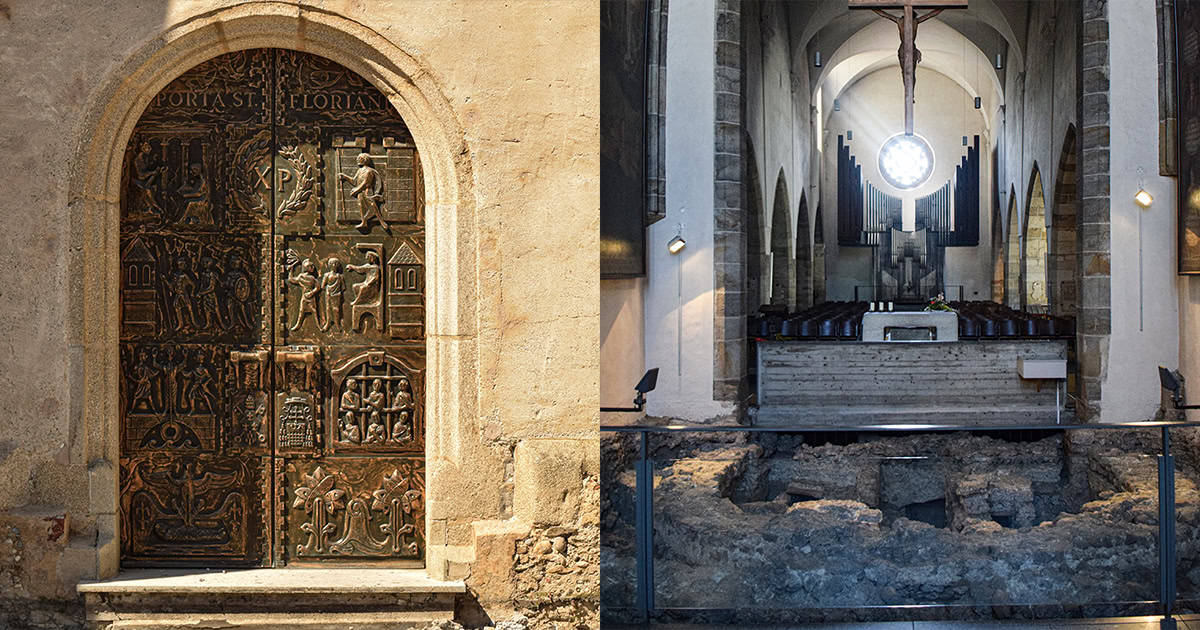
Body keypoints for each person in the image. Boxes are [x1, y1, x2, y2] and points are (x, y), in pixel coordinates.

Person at [337, 153, 388, 230]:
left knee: (372, 206)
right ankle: (364, 222)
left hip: (367, 191)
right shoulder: (360, 170)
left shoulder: (369, 171)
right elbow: (354, 181)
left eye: (359, 158)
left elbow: (365, 183)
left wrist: (356, 190)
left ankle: (381, 222)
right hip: (360, 193)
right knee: (361, 206)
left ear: (364, 160)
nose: (357, 159)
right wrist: (345, 177)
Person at [288, 259, 322, 331]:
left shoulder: (312, 278)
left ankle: (318, 325)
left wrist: (311, 293)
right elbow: (291, 280)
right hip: (304, 297)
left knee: (314, 311)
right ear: (306, 267)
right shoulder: (301, 277)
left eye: (313, 266)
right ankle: (298, 325)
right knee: (301, 311)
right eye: (310, 266)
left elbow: (318, 287)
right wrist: (291, 270)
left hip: (311, 297)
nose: (313, 267)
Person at [321, 257, 345, 331]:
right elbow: (323, 286)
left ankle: (337, 323)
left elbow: (343, 287)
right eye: (332, 263)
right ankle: (328, 323)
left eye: (336, 263)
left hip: (337, 295)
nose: (334, 265)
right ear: (329, 265)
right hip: (328, 294)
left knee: (336, 309)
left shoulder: (340, 276)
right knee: (328, 309)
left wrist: (337, 292)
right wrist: (329, 291)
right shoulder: (326, 275)